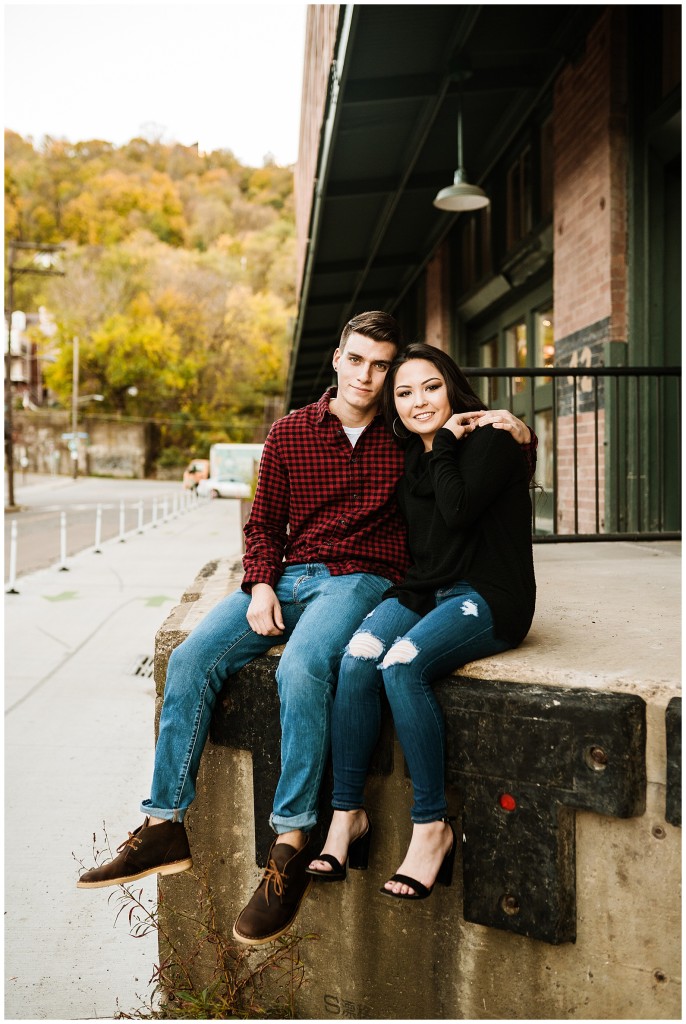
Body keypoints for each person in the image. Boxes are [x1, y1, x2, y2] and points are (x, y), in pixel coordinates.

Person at [77, 314, 535, 945]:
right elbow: (262, 525)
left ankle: (290, 844)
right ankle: (163, 826)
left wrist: (517, 426)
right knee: (190, 661)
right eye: (358, 361)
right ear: (337, 361)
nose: (370, 377)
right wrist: (262, 583)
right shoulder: (290, 433)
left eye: (383, 367)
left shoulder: (403, 432)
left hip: (362, 579)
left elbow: (468, 444)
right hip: (290, 577)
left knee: (302, 667)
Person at [307, 343, 536, 901]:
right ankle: (346, 817)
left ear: (452, 386)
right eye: (404, 393)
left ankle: (432, 827)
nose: (418, 401)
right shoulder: (411, 456)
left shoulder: (489, 438)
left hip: (489, 596)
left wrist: (457, 444)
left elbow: (458, 509)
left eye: (431, 386)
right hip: (427, 590)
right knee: (359, 657)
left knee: (402, 667)